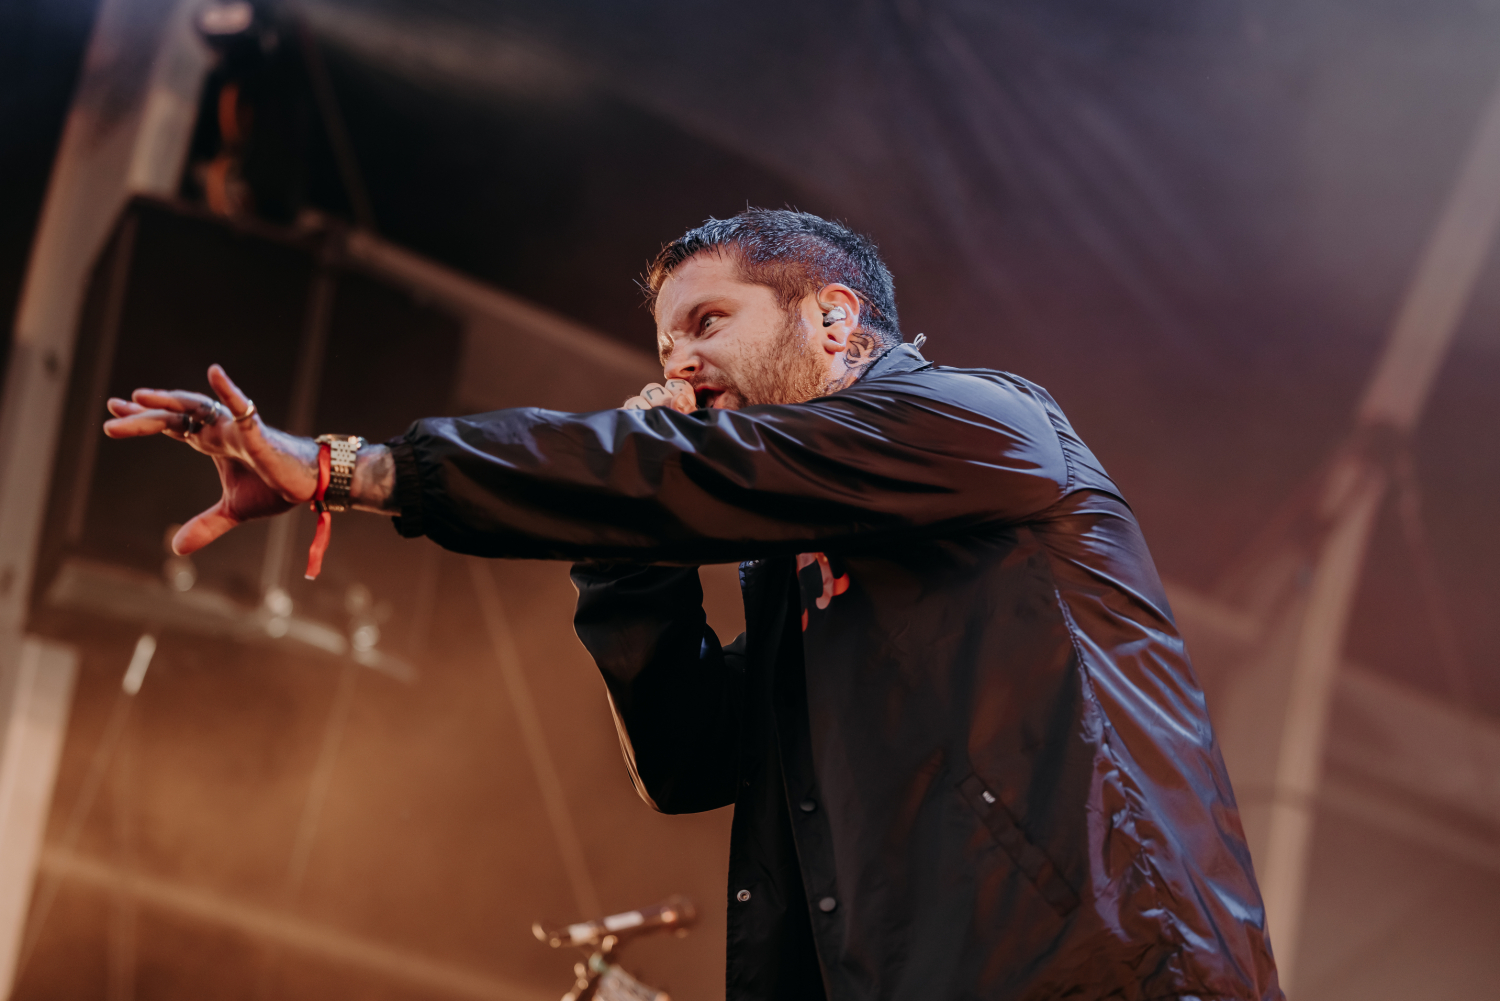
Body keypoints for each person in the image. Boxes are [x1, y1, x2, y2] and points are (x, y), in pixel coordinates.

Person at [104, 209, 1282, 1001]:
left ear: (833, 318)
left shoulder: (987, 423)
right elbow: (688, 756)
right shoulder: (795, 564)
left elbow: (689, 478)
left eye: (708, 323)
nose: (677, 365)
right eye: (667, 341)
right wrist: (631, 556)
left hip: (1102, 974)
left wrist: (355, 469)